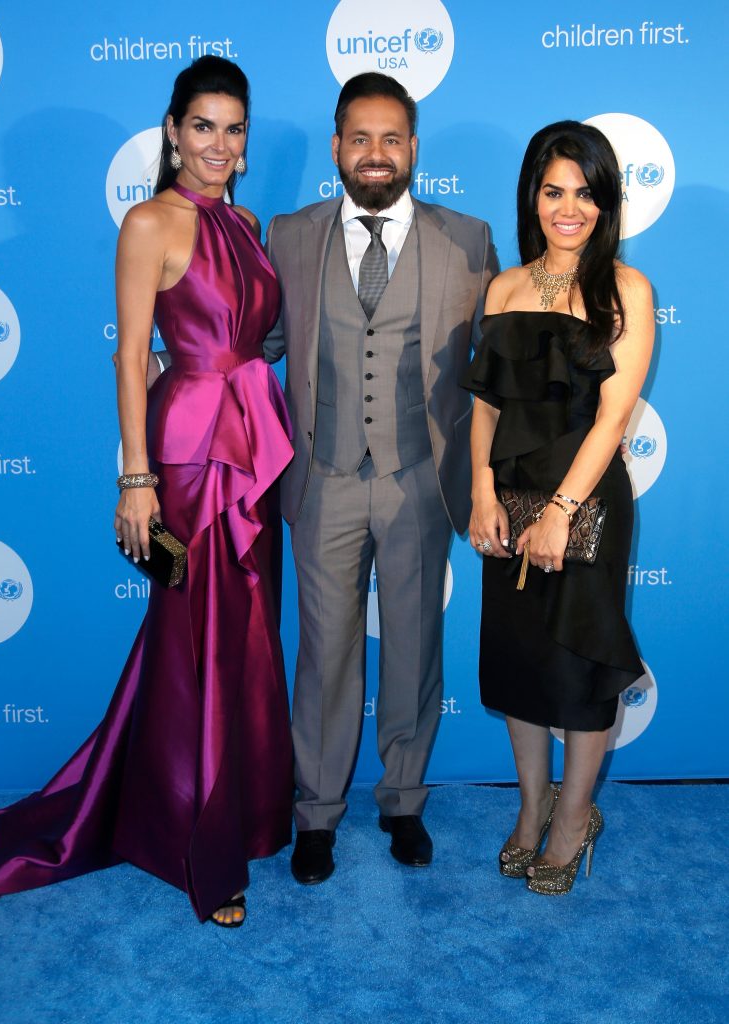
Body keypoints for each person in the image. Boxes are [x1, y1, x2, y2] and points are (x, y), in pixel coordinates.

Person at [0, 56, 294, 927]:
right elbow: (130, 355)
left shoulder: (247, 221)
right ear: (171, 131)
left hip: (254, 452)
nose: (218, 144)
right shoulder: (148, 222)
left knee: (244, 641)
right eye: (203, 126)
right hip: (188, 460)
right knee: (201, 647)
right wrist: (137, 477)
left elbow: (249, 341)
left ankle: (241, 814)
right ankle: (204, 851)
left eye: (233, 128)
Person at [263, 73, 498, 884]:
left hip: (419, 480)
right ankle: (317, 813)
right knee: (322, 653)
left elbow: (492, 370)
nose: (374, 154)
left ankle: (402, 801)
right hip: (321, 476)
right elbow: (251, 344)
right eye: (358, 138)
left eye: (390, 138)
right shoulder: (288, 235)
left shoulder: (467, 239)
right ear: (335, 147)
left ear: (413, 150)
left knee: (412, 646)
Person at [464, 120, 654, 895]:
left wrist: (561, 508)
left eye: (583, 192)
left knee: (575, 666)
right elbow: (484, 405)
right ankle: (530, 805)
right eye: (552, 191)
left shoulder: (626, 291)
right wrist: (481, 490)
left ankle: (574, 817)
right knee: (518, 663)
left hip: (585, 503)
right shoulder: (504, 287)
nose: (566, 207)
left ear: (605, 203)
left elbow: (613, 417)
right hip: (506, 499)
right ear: (531, 198)